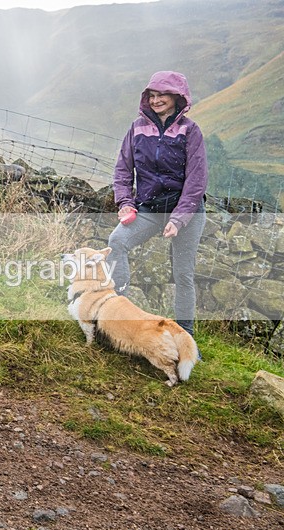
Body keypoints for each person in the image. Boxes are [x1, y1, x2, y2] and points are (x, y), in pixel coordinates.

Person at [108, 70, 207, 345]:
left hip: (186, 211)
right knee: (116, 241)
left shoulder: (191, 131)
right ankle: (119, 317)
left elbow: (197, 180)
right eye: (151, 95)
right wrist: (126, 203)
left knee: (183, 274)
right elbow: (123, 170)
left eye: (162, 94)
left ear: (177, 97)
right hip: (149, 208)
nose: (156, 100)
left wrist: (178, 219)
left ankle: (186, 339)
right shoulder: (136, 128)